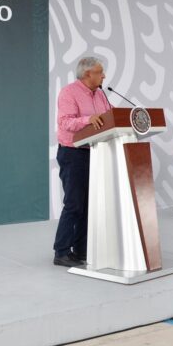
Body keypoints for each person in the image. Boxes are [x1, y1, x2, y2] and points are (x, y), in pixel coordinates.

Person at [54, 57, 112, 267]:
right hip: (73, 154)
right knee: (74, 203)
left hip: (95, 152)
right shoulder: (69, 93)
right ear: (88, 74)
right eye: (100, 72)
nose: (103, 75)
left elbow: (110, 117)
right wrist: (88, 119)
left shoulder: (101, 95)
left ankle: (80, 250)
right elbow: (65, 122)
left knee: (89, 205)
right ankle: (61, 251)